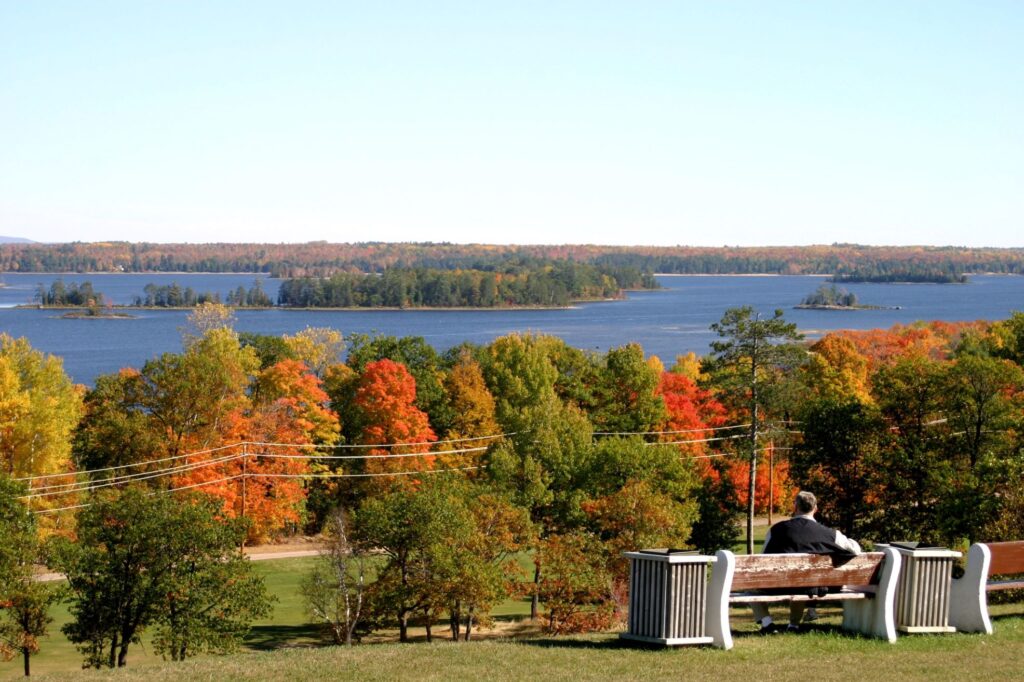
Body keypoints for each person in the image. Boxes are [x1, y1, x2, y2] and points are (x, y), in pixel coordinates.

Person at [753, 490, 861, 634]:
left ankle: (767, 624)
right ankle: (793, 625)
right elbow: (855, 549)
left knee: (752, 587)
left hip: (778, 585)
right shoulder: (830, 534)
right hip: (809, 587)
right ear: (815, 509)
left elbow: (763, 559)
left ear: (795, 507)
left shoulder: (776, 530)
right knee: (802, 583)